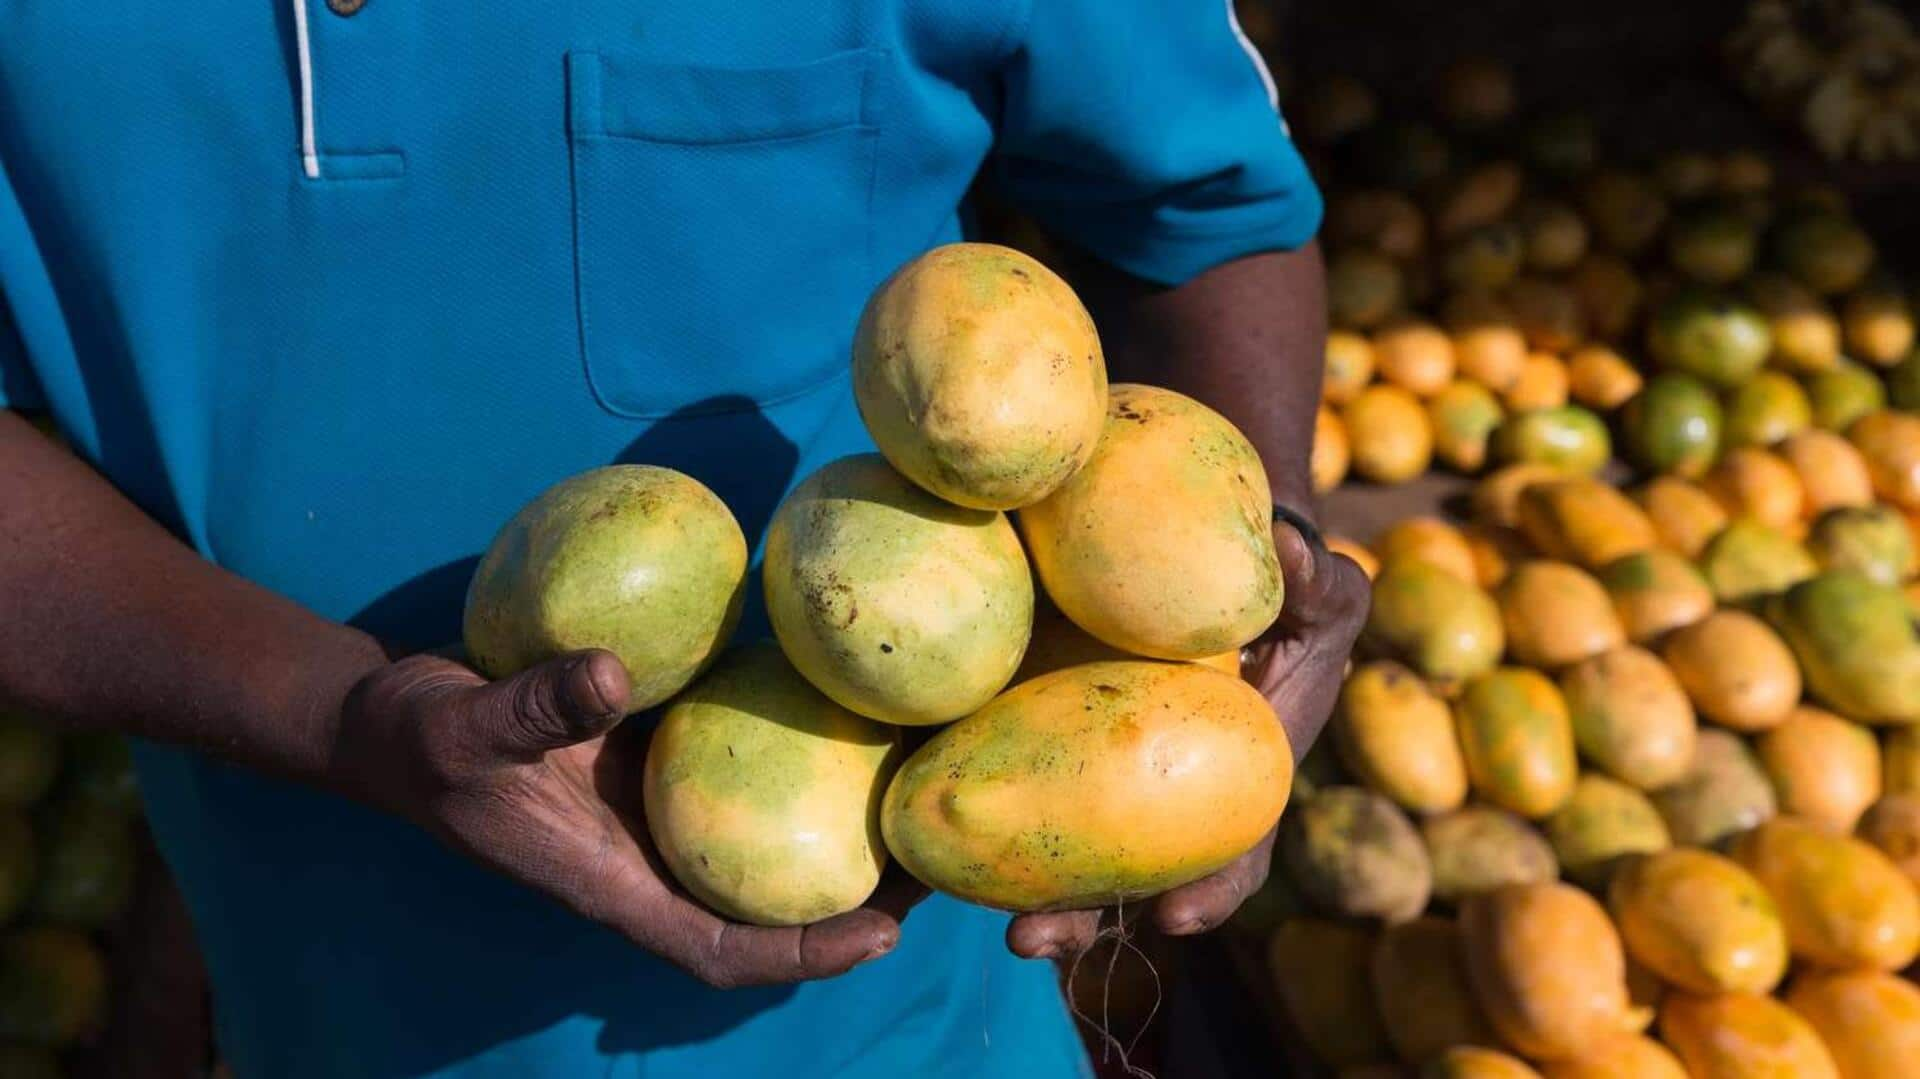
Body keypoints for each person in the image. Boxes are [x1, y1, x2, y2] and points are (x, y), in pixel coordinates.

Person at [0, 2, 1367, 1076]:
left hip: (901, 1016)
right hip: (322, 993)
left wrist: (1257, 561)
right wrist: (337, 712)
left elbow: (1210, 220)